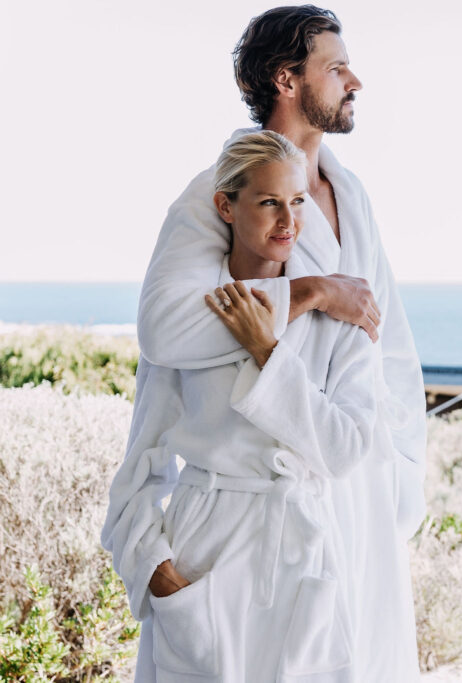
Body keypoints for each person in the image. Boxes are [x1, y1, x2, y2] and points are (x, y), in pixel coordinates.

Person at [101, 6, 425, 681]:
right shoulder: (216, 195)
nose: (355, 81)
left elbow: (388, 343)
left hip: (351, 506)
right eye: (336, 69)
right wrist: (306, 293)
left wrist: (400, 478)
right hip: (235, 530)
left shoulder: (352, 196)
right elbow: (166, 332)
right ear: (287, 79)